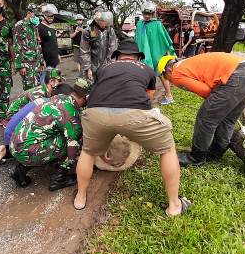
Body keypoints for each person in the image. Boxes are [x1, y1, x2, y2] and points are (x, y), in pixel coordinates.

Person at [73, 41, 190, 216]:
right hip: (133, 114)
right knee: (168, 148)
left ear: (118, 56)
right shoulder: (146, 68)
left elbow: (100, 91)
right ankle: (174, 205)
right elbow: (147, 98)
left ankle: (80, 198)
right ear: (137, 57)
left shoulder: (104, 67)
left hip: (95, 113)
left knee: (88, 153)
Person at [158, 53, 245, 166]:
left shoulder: (176, 73)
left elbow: (207, 91)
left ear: (168, 69)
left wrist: (214, 104)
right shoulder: (187, 62)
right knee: (227, 119)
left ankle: (196, 158)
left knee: (206, 118)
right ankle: (215, 154)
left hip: (237, 77)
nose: (169, 81)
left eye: (165, 77)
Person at [9, 78, 92, 191]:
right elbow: (72, 151)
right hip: (26, 151)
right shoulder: (71, 114)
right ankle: (59, 179)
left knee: (53, 136)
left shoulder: (59, 97)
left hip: (14, 145)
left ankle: (21, 170)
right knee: (75, 141)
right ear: (86, 97)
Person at [0, 82, 73, 166]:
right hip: (16, 138)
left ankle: (5, 149)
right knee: (64, 138)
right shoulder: (53, 107)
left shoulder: (43, 100)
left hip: (11, 133)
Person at [135, 2, 176, 105]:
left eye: (149, 14)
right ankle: (145, 97)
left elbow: (164, 39)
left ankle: (169, 95)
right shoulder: (139, 24)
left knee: (161, 74)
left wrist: (167, 51)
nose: (147, 16)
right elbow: (138, 39)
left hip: (157, 54)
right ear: (142, 13)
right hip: (143, 54)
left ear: (153, 13)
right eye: (145, 14)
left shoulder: (157, 24)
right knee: (143, 74)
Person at [79, 10, 119, 80]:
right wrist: (88, 68)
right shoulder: (88, 31)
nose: (106, 24)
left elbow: (112, 49)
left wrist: (111, 65)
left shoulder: (110, 30)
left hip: (106, 65)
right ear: (98, 20)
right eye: (105, 21)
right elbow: (84, 51)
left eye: (108, 22)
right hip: (92, 66)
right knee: (92, 87)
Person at [14, 4, 44, 91]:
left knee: (38, 87)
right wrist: (20, 65)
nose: (37, 18)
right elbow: (17, 45)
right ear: (29, 13)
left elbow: (38, 43)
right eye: (36, 15)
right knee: (29, 89)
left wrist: (41, 62)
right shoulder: (20, 25)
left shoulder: (34, 26)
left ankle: (37, 104)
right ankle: (29, 104)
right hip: (26, 63)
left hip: (36, 62)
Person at [37, 4, 60, 83]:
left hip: (54, 61)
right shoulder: (40, 28)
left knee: (53, 83)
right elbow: (38, 46)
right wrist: (42, 61)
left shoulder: (52, 28)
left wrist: (58, 55)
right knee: (45, 84)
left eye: (52, 16)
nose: (51, 18)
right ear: (43, 16)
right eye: (49, 17)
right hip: (46, 63)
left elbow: (54, 44)